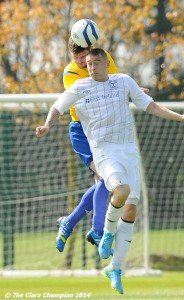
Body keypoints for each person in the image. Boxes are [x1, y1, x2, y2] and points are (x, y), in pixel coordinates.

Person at [36, 48, 184, 294]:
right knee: (120, 190)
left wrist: (180, 117)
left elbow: (151, 106)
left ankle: (116, 267)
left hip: (128, 151)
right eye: (88, 64)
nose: (91, 67)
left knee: (131, 208)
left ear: (106, 62)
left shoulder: (123, 81)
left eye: (96, 62)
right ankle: (105, 234)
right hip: (103, 152)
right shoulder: (80, 87)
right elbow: (58, 107)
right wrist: (47, 124)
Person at [55, 37, 119, 253]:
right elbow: (87, 96)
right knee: (104, 177)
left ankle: (70, 222)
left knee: (106, 182)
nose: (82, 62)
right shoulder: (70, 73)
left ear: (92, 50)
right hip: (82, 130)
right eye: (77, 58)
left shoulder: (104, 58)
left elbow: (116, 80)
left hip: (103, 128)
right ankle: (98, 230)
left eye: (84, 57)